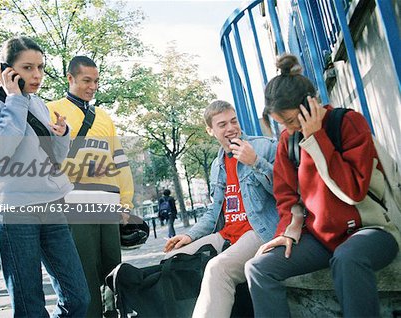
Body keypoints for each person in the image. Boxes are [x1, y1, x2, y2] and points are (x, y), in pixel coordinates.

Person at [245, 54, 400, 317]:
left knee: (348, 258)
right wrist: (288, 232)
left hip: (372, 230)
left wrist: (316, 137)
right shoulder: (288, 141)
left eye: (293, 121)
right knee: (258, 268)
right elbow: (287, 198)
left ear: (311, 104)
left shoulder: (348, 123)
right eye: (282, 124)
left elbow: (353, 191)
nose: (290, 129)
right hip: (321, 239)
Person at [0, 36, 90, 316]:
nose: (37, 75)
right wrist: (14, 100)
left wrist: (62, 136)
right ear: (6, 71)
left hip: (51, 207)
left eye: (41, 67)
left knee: (78, 299)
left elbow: (56, 159)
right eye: (27, 68)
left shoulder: (39, 104)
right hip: (13, 212)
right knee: (29, 307)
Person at [164, 100, 279, 318]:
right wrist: (189, 235)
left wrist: (255, 161)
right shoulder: (217, 165)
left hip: (259, 231)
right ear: (210, 131)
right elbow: (213, 212)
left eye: (233, 121)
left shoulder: (264, 147)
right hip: (227, 233)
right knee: (175, 259)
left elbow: (286, 191)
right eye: (222, 124)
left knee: (218, 269)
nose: (231, 128)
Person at [47, 56, 134, 318]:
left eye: (96, 81)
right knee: (84, 272)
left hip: (107, 203)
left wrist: (125, 201)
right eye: (86, 80)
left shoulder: (104, 117)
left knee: (112, 271)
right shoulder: (51, 109)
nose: (92, 86)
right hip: (74, 204)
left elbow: (119, 160)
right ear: (70, 78)